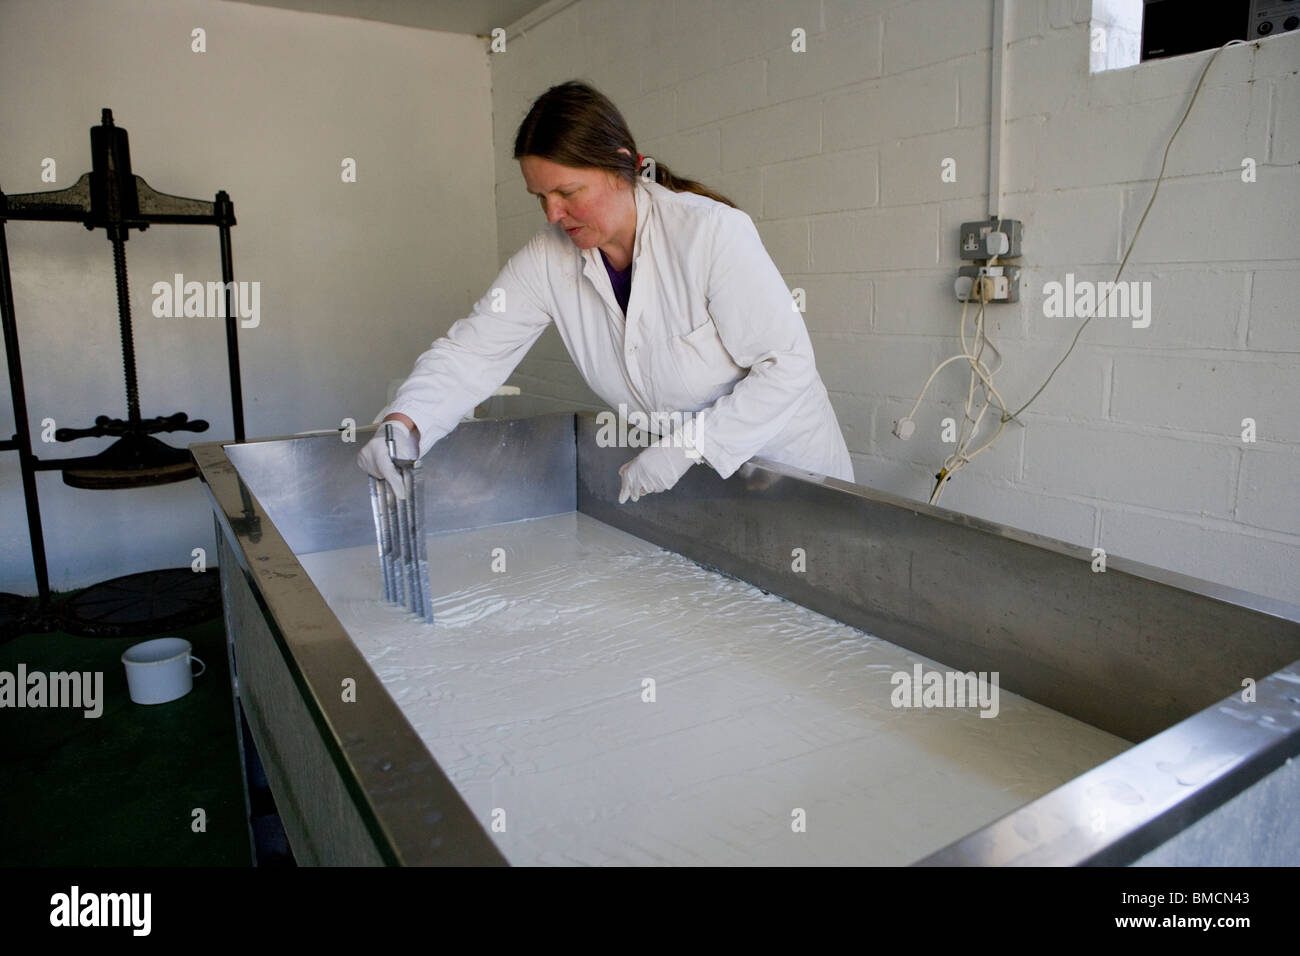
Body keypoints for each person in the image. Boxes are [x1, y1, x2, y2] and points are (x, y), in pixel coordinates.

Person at [358, 80, 853, 502]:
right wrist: (405, 422)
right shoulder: (547, 258)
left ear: (621, 168)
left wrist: (686, 448)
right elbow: (472, 352)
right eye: (541, 198)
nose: (553, 214)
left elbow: (786, 366)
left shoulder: (709, 234)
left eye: (568, 193)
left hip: (792, 471)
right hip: (697, 484)